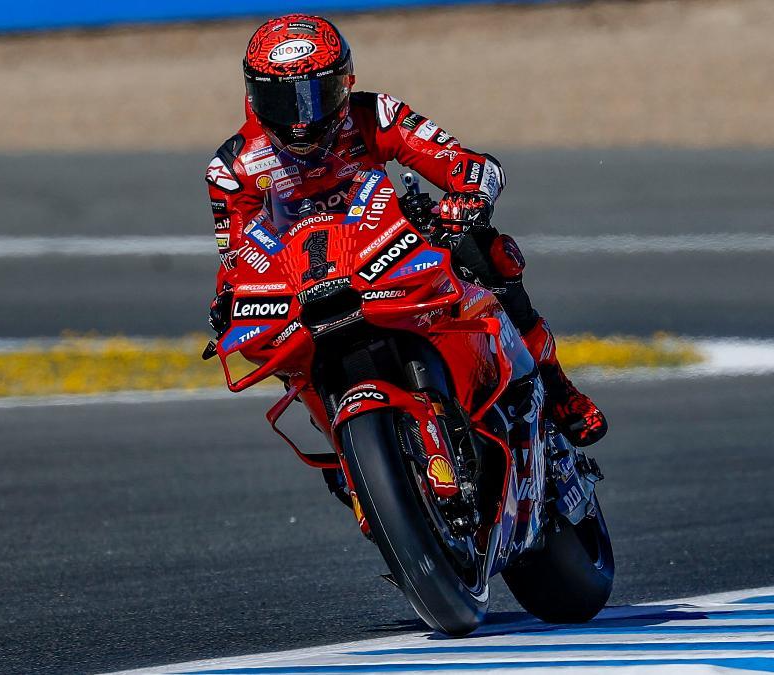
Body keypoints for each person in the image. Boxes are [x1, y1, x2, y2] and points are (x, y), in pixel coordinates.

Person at [205, 14, 606, 447]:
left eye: (317, 97)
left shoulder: (376, 114)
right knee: (268, 339)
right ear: (253, 96)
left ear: (345, 82)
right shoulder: (231, 170)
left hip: (388, 246)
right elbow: (239, 259)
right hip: (307, 280)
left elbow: (463, 162)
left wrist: (469, 195)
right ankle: (343, 445)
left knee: (484, 250)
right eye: (284, 102)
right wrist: (227, 301)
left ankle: (555, 384)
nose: (303, 120)